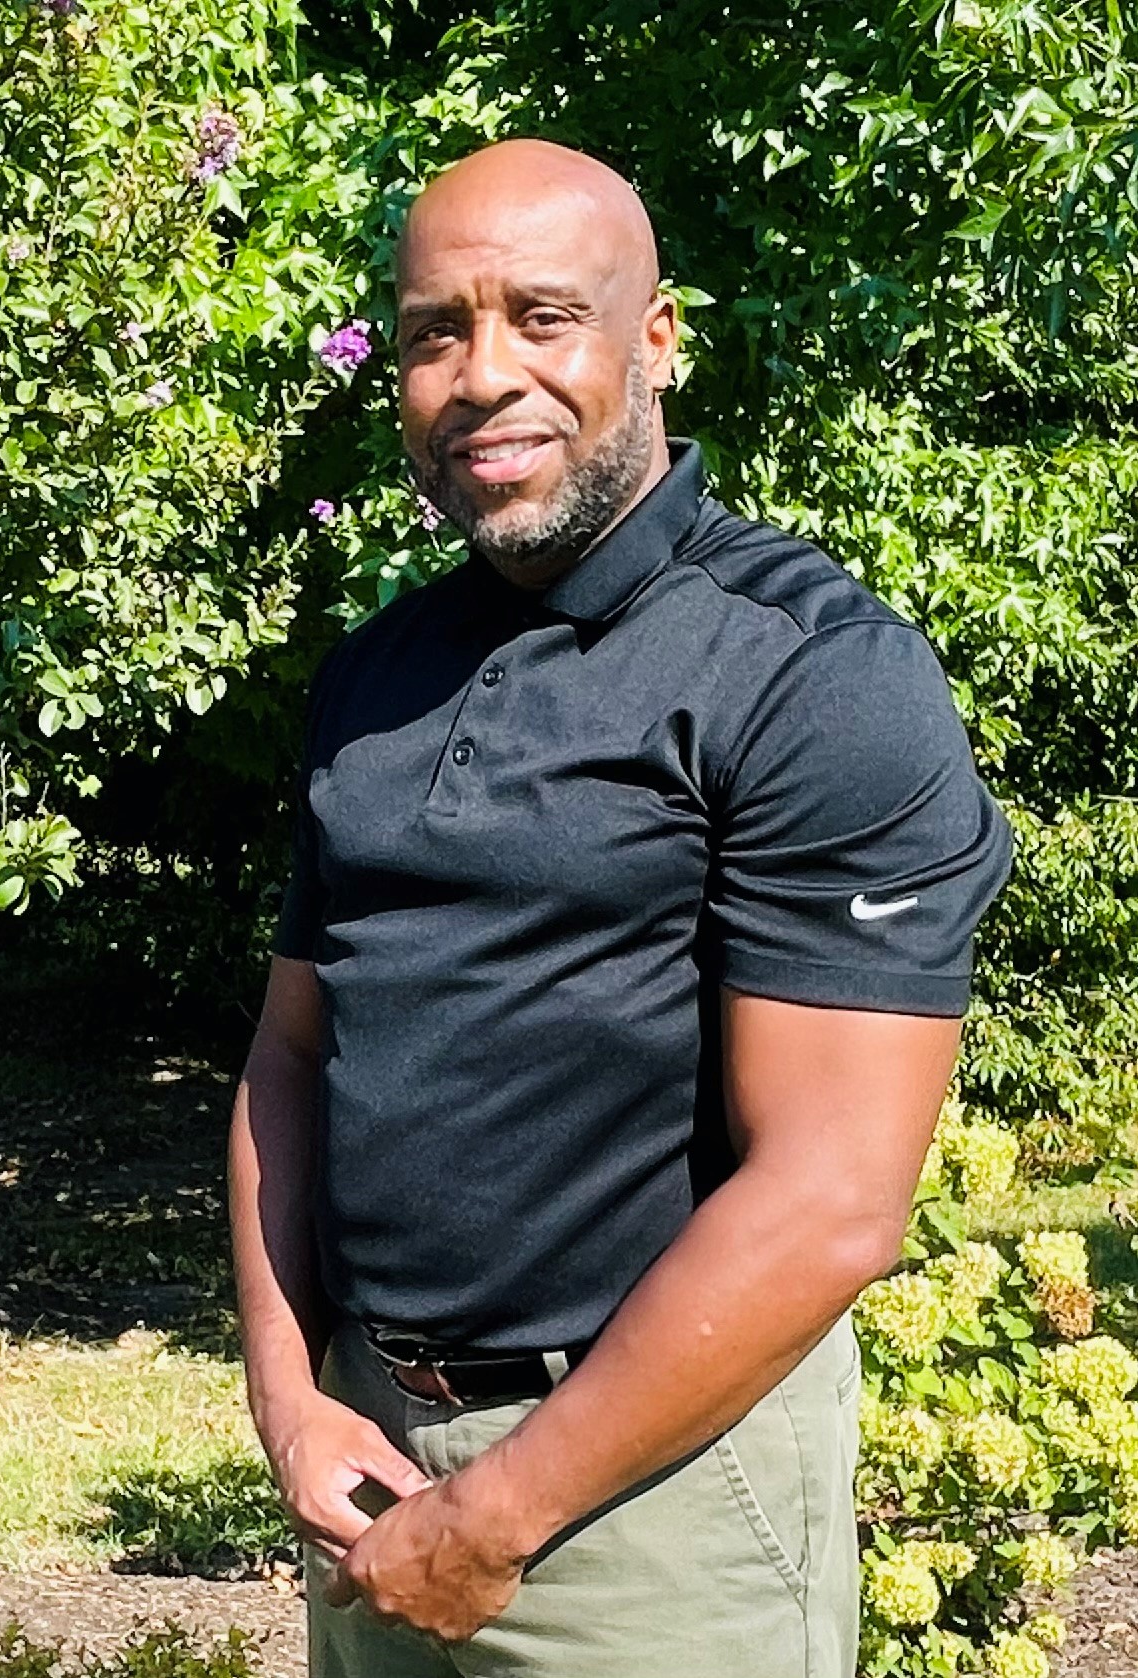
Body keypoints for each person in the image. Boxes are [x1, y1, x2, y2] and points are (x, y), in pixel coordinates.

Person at [228, 138, 1013, 1678]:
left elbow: (833, 1195)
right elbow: (292, 1053)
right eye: (435, 332)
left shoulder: (807, 672)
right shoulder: (376, 675)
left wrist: (502, 1509)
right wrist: (290, 1396)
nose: (482, 375)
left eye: (543, 316)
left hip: (653, 1504)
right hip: (367, 1458)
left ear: (655, 339)